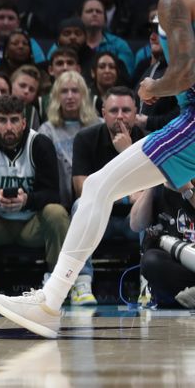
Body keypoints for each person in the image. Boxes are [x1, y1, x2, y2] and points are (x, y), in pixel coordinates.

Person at [0, 0, 195, 338]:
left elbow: (187, 72)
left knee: (97, 187)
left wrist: (155, 83)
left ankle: (51, 300)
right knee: (100, 188)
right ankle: (52, 298)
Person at [0, 94, 68, 293]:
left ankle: (55, 280)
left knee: (57, 213)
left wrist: (27, 200)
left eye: (14, 120)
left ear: (24, 122)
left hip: (31, 224)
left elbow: (53, 194)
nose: (9, 127)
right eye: (3, 120)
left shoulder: (40, 144)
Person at [66, 86, 145, 305]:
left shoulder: (147, 140)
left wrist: (129, 152)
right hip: (100, 220)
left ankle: (148, 283)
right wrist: (126, 197)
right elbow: (82, 189)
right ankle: (81, 283)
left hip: (133, 221)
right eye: (114, 110)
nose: (120, 116)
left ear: (136, 112)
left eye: (126, 110)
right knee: (80, 205)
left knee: (152, 206)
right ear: (103, 112)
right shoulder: (85, 138)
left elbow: (151, 190)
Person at [38, 71, 100, 210]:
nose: (70, 96)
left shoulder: (99, 126)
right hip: (59, 202)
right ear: (56, 97)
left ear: (84, 95)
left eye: (75, 91)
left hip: (95, 199)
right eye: (64, 91)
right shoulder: (46, 131)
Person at [130, 182, 195, 308]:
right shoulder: (161, 186)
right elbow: (136, 224)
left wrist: (187, 190)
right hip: (178, 266)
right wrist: (152, 184)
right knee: (150, 260)